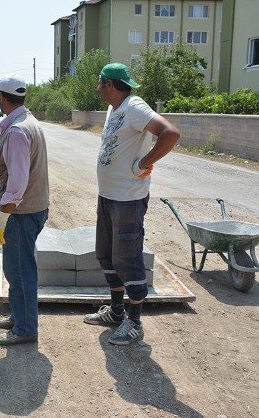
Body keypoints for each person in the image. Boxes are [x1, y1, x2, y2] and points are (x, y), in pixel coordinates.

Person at [84, 63, 180, 345]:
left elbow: (170, 133)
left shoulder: (135, 106)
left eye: (99, 82)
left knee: (128, 259)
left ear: (109, 84)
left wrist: (144, 163)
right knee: (106, 254)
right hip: (108, 196)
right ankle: (116, 311)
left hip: (128, 199)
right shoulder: (114, 108)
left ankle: (134, 322)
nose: (97, 87)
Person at [0, 75, 50, 346]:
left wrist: (2, 216)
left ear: (2, 97)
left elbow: (17, 182)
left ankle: (26, 328)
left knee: (21, 271)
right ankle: (18, 315)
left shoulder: (16, 131)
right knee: (14, 268)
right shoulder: (29, 122)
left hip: (21, 213)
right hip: (32, 209)